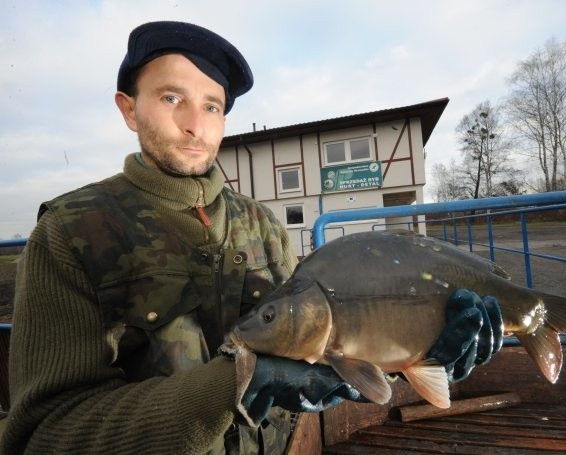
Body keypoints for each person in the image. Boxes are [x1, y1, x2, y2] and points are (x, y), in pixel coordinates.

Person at [0, 21, 503, 454]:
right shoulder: (69, 233)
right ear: (129, 109)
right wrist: (231, 388)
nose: (195, 125)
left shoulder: (262, 225)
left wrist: (412, 354)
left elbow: (323, 355)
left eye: (213, 106)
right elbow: (46, 433)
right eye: (171, 97)